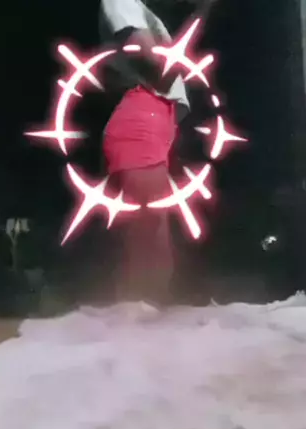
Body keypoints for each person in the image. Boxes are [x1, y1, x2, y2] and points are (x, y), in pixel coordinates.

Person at [99, 0, 214, 304]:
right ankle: (130, 324)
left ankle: (135, 322)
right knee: (151, 250)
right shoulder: (122, 2)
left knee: (151, 248)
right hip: (141, 123)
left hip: (156, 125)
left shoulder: (138, 7)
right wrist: (200, 15)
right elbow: (159, 67)